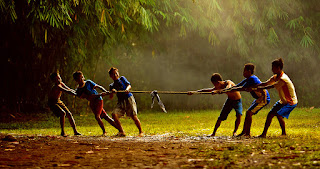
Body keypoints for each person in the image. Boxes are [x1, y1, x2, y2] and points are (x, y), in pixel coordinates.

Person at [251, 58, 297, 138]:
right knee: (270, 115)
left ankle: (284, 133)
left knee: (279, 115)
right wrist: (255, 86)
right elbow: (265, 83)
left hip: (291, 102)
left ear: (278, 68)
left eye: (273, 68)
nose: (272, 69)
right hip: (283, 101)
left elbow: (270, 86)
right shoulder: (276, 77)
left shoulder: (283, 79)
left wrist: (257, 88)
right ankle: (263, 134)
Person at [225, 63, 270, 137]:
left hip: (263, 98)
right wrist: (228, 89)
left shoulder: (252, 79)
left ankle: (247, 133)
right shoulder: (248, 79)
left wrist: (230, 90)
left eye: (244, 71)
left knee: (249, 113)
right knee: (248, 113)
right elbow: (238, 86)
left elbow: (241, 88)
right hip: (258, 98)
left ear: (249, 71)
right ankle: (244, 132)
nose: (243, 73)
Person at [73, 71, 118, 136]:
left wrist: (106, 92)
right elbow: (87, 97)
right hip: (92, 102)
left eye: (82, 77)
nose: (82, 79)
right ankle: (120, 129)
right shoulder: (78, 90)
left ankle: (104, 132)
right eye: (79, 78)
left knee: (97, 116)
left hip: (98, 100)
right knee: (105, 117)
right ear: (76, 80)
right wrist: (100, 94)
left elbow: (98, 87)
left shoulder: (88, 82)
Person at [108, 67, 143, 137]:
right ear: (111, 76)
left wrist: (127, 89)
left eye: (116, 73)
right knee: (114, 114)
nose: (115, 75)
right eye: (113, 74)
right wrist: (112, 92)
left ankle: (141, 131)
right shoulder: (111, 86)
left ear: (118, 73)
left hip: (128, 98)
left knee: (134, 116)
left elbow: (129, 85)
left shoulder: (122, 79)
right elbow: (111, 97)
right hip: (120, 102)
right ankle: (121, 131)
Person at [48, 72, 81, 137]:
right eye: (57, 79)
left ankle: (75, 131)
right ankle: (62, 131)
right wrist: (77, 94)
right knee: (62, 113)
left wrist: (77, 92)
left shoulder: (61, 84)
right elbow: (67, 91)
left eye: (59, 78)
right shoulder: (57, 86)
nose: (59, 80)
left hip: (58, 101)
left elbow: (69, 89)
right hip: (52, 102)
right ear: (54, 81)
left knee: (69, 114)